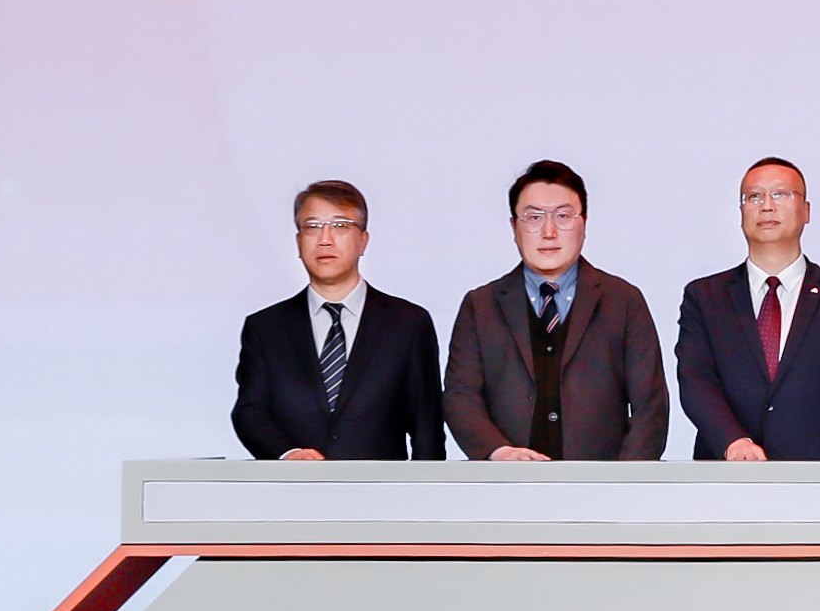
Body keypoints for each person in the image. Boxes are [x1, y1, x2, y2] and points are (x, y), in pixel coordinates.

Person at [442, 160, 669, 461]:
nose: (549, 232)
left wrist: (623, 478)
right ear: (514, 227)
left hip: (602, 483)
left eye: (563, 216)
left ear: (584, 223)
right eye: (533, 217)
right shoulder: (481, 306)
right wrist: (499, 453)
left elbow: (651, 405)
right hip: (505, 481)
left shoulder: (624, 301)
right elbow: (461, 396)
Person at [673, 157, 820, 461]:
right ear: (741, 212)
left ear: (806, 211)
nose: (767, 206)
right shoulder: (705, 297)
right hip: (726, 473)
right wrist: (733, 441)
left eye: (780, 194)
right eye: (754, 197)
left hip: (819, 478)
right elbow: (695, 381)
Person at [229, 178, 443, 460]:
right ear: (298, 241)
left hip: (382, 485)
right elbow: (250, 411)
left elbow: (427, 426)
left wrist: (426, 484)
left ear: (363, 240)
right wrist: (288, 454)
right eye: (312, 227)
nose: (325, 239)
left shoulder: (408, 323)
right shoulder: (266, 328)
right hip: (291, 484)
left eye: (340, 226)